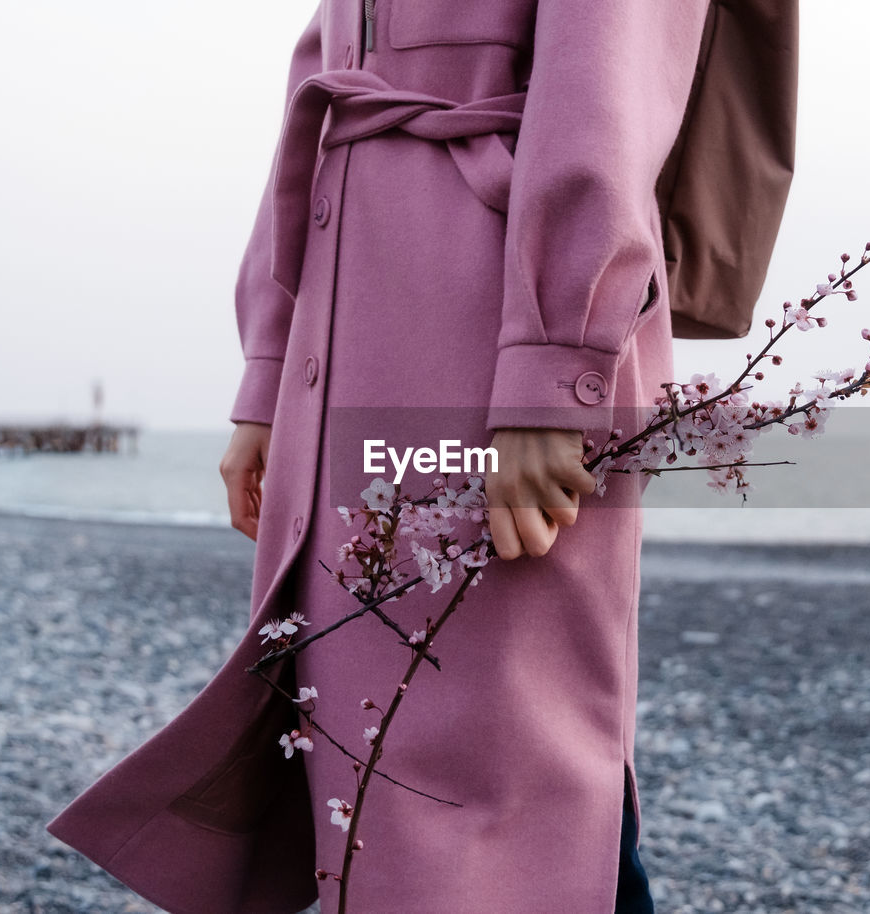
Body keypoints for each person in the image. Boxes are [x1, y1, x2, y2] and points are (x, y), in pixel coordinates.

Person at [48, 2, 712, 911]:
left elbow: (610, 85)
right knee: (364, 760)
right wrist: (270, 370)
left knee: (508, 766)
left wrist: (553, 369)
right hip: (345, 340)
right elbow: (322, 88)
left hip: (492, 337)